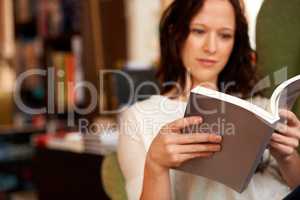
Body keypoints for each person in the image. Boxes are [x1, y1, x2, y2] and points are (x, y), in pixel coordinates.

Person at [117, 0, 300, 199]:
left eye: (224, 35)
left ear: (235, 43)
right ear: (175, 34)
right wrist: (156, 165)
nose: (211, 47)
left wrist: (288, 157)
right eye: (199, 31)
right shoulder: (139, 117)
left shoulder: (262, 109)